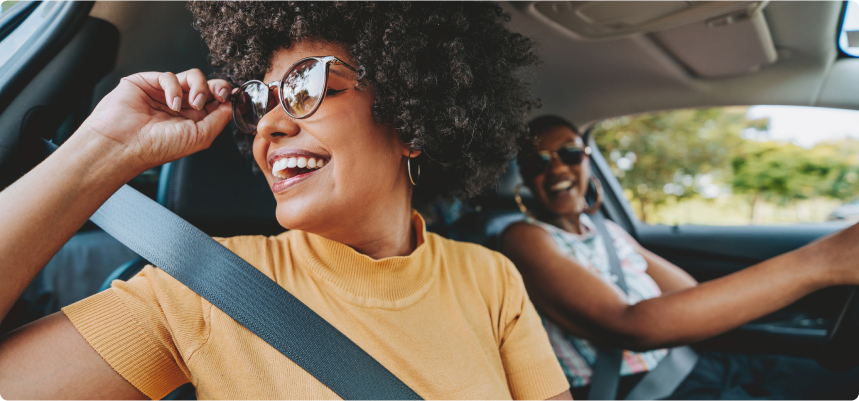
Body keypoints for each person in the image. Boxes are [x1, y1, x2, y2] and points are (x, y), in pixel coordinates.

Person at [0, 3, 573, 399]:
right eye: (259, 100)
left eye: (303, 87)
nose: (267, 127)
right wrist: (102, 152)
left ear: (411, 118)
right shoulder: (199, 289)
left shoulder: (490, 279)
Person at [501, 115, 859, 400]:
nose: (559, 169)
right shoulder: (523, 238)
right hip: (639, 390)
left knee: (837, 379)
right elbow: (629, 325)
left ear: (587, 161)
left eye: (570, 153)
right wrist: (821, 262)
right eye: (537, 162)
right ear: (526, 180)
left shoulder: (606, 231)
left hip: (692, 365)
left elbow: (686, 292)